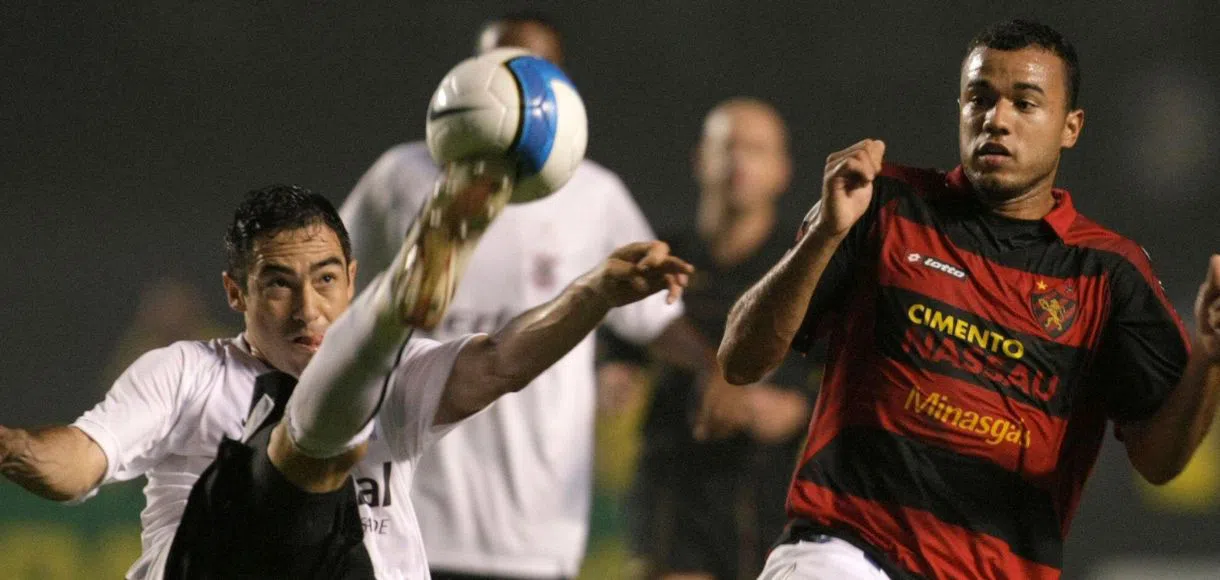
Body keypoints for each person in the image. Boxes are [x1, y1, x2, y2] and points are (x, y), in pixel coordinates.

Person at [717, 19, 1220, 580]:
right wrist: (823, 236)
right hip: (846, 552)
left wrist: (1210, 357)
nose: (997, 119)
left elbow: (1159, 461)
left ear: (1069, 127)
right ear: (960, 107)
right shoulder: (882, 206)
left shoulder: (1109, 272)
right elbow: (741, 360)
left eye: (1025, 104)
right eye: (980, 98)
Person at [0, 173, 693, 579]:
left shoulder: (396, 378)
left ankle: (413, 280)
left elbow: (503, 361)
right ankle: (414, 276)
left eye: (327, 280)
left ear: (351, 280)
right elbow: (76, 464)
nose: (308, 308)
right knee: (301, 446)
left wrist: (593, 294)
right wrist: (12, 446)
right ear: (235, 293)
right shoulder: (187, 373)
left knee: (342, 407)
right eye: (279, 284)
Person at [341, 13, 720, 580]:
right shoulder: (402, 176)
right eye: (498, 64)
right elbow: (329, 289)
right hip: (399, 514)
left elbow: (655, 320)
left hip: (535, 531)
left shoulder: (594, 194)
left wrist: (722, 371)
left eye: (533, 68)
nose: (513, 82)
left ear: (562, 84)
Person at [625, 98, 819, 580]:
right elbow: (622, 328)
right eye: (727, 146)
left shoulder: (806, 266)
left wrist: (796, 407)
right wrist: (616, 368)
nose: (739, 163)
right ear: (700, 159)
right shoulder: (664, 256)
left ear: (782, 170)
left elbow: (844, 372)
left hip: (768, 495)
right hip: (676, 484)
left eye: (755, 150)